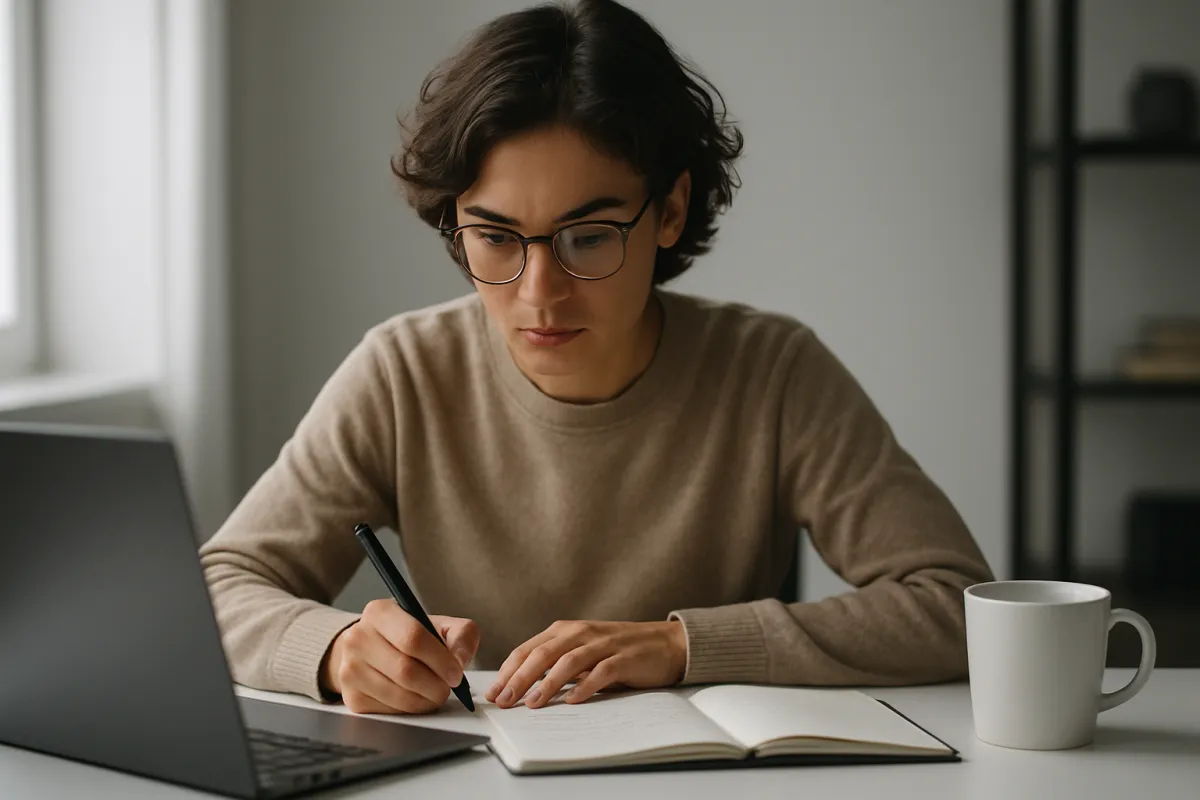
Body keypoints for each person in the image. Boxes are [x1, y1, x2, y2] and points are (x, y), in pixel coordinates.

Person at [199, 0, 993, 716]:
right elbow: (214, 586)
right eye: (496, 237)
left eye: (588, 237)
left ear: (671, 209)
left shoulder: (772, 371)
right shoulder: (403, 372)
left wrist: (683, 646)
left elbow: (956, 604)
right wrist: (336, 653)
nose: (541, 292)